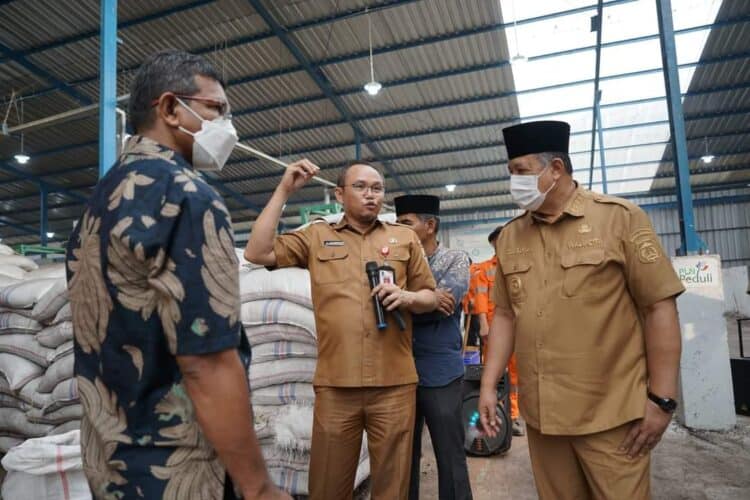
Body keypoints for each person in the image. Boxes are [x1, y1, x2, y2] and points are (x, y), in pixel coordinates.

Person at [65, 50, 288, 500]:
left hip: (110, 459)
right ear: (170, 109)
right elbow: (206, 363)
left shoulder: (103, 196)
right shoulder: (186, 196)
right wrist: (259, 487)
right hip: (177, 469)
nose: (227, 125)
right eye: (216, 109)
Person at [478, 120, 685, 500]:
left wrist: (662, 400)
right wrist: (489, 386)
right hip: (543, 420)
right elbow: (505, 316)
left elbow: (659, 306)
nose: (514, 183)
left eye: (521, 171)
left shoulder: (619, 219)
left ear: (555, 169)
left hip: (611, 418)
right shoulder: (510, 237)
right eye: (510, 173)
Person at [244, 161, 439, 500]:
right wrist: (284, 190)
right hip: (336, 386)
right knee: (327, 486)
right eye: (361, 187)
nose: (371, 195)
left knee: (392, 487)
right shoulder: (317, 236)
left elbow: (431, 296)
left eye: (377, 188)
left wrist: (407, 296)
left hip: (394, 385)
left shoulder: (404, 238)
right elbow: (257, 252)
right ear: (340, 194)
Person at [394, 195, 473, 500]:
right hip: (400, 370)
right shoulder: (395, 260)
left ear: (430, 225)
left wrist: (401, 300)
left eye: (406, 223)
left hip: (440, 372)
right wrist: (424, 299)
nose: (399, 229)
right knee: (403, 458)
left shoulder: (455, 259)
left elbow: (446, 306)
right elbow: (379, 306)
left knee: (450, 454)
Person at [472, 226, 522, 436]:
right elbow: (480, 298)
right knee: (497, 374)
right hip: (495, 330)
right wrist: (483, 325)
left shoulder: (519, 266)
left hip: (520, 329)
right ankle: (501, 415)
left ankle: (514, 414)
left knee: (516, 376)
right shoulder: (484, 269)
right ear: (493, 244)